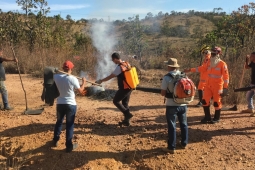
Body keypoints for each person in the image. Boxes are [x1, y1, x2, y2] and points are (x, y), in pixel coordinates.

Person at [184, 47, 229, 124]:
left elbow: (226, 77)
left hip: (218, 86)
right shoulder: (208, 62)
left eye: (214, 53)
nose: (212, 54)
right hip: (208, 86)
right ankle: (207, 117)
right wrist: (190, 69)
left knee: (216, 102)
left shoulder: (222, 64)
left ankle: (216, 118)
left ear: (218, 54)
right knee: (204, 101)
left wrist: (225, 88)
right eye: (212, 53)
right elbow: (201, 68)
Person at [53, 60, 86, 153]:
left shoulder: (56, 77)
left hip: (60, 104)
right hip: (71, 105)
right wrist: (84, 82)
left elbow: (52, 74)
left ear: (63, 68)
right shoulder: (73, 79)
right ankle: (69, 146)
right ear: (71, 69)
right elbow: (81, 92)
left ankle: (55, 140)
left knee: (59, 122)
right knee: (69, 125)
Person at [95, 52, 133, 126]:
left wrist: (101, 80)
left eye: (113, 60)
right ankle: (127, 121)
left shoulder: (119, 67)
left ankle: (127, 114)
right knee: (125, 104)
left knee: (116, 101)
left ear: (115, 59)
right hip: (129, 87)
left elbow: (111, 76)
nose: (113, 61)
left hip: (124, 88)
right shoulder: (126, 63)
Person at [161, 58, 188, 154]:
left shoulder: (166, 77)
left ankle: (171, 147)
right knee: (184, 124)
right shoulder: (183, 75)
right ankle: (184, 143)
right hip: (183, 104)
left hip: (171, 105)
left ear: (169, 66)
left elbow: (163, 93)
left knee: (172, 126)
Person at [241, 52, 255, 116]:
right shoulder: (252, 63)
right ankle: (250, 108)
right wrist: (246, 60)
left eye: (252, 56)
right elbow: (246, 67)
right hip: (252, 83)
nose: (250, 57)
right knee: (248, 96)